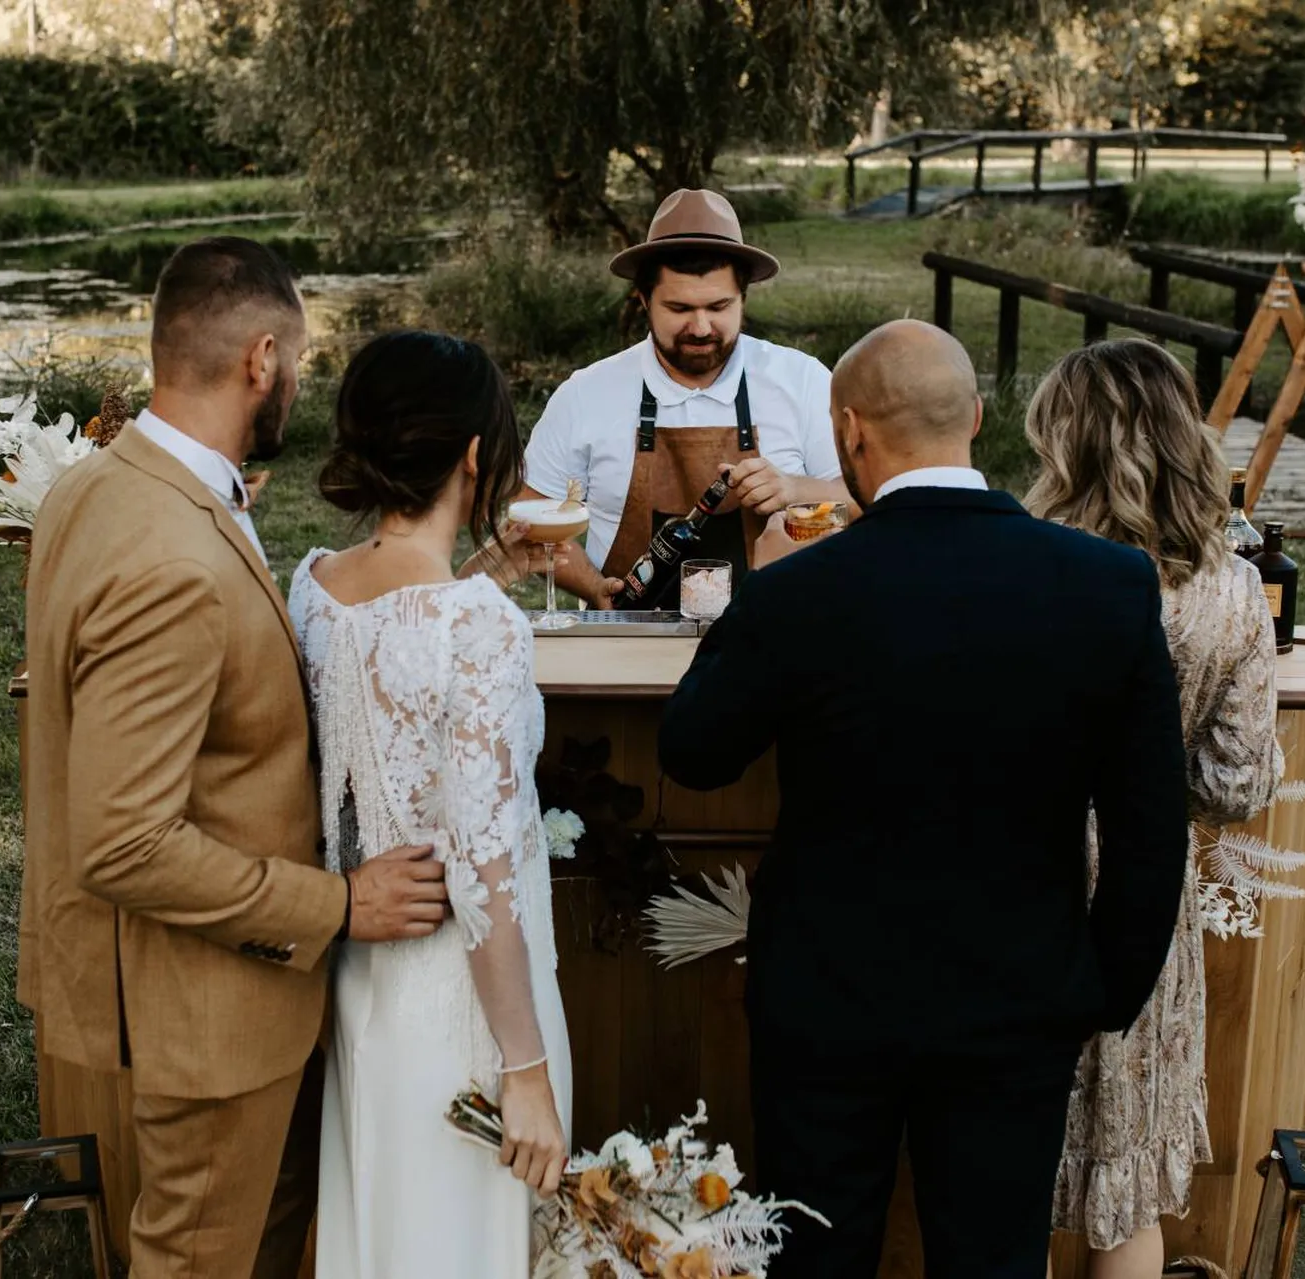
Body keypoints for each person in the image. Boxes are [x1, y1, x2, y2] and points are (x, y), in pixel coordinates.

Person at [658, 319, 1193, 1279]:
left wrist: (753, 602)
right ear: (978, 419)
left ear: (851, 434)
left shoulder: (800, 591)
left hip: (827, 1003)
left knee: (816, 1265)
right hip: (1019, 999)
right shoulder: (1107, 585)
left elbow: (694, 751)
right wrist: (1100, 989)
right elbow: (1152, 822)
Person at [20, 237, 450, 1278]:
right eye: (296, 360)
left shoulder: (105, 485)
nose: (297, 379)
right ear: (263, 359)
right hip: (207, 1018)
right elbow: (123, 839)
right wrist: (338, 906)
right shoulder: (171, 554)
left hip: (180, 998)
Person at [291, 330, 570, 1276]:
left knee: (392, 1236)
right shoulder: (480, 626)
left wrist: (489, 565)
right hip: (470, 1001)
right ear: (479, 456)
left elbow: (395, 649)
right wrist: (524, 1072)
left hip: (368, 984)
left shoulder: (316, 587)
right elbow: (484, 871)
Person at [1026, 341, 1283, 1279]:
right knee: (1122, 1174)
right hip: (1145, 893)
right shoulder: (1232, 590)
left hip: (1024, 874)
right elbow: (1240, 784)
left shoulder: (1033, 567)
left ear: (1067, 443)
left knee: (1009, 1162)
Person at [520, 188, 849, 607]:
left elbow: (861, 508)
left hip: (770, 641)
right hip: (626, 642)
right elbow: (531, 519)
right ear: (643, 300)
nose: (700, 327)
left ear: (744, 297)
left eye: (719, 306)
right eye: (678, 309)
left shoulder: (801, 381)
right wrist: (594, 589)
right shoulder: (586, 394)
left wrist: (795, 490)